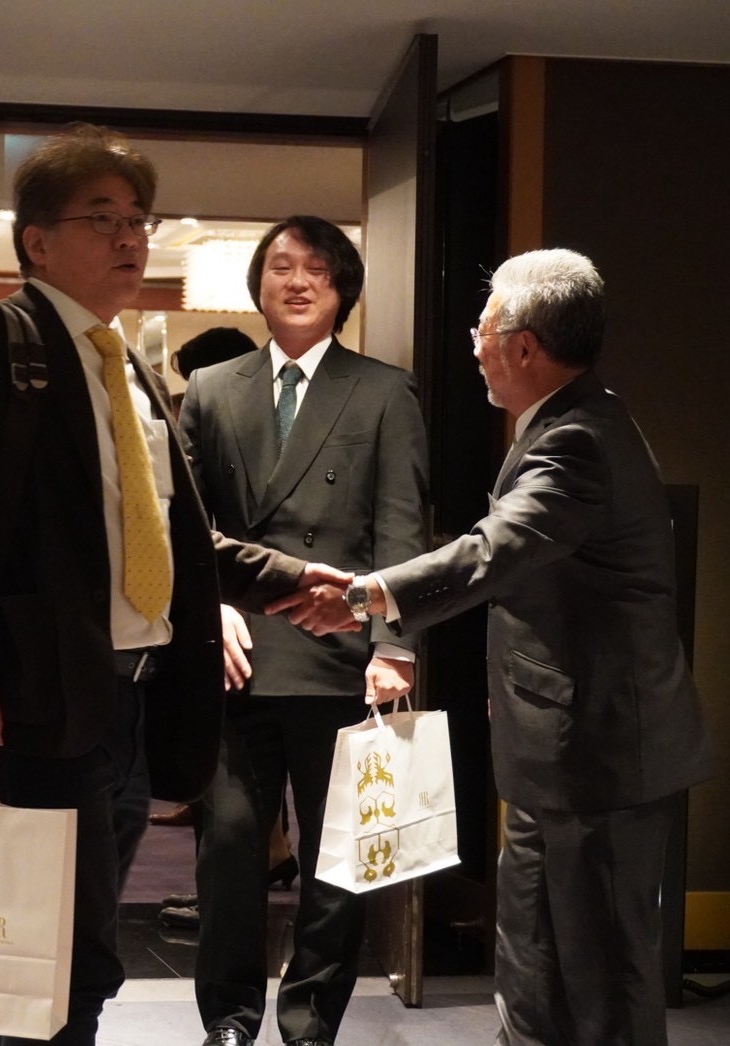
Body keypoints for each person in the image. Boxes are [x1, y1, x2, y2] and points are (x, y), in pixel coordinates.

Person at [0, 125, 345, 1046]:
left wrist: (293, 579)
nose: (130, 238)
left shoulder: (126, 364)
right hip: (31, 700)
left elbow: (172, 536)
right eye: (101, 219)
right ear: (36, 241)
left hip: (129, 705)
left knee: (73, 948)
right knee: (34, 953)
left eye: (138, 220)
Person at [277, 248, 714, 1046]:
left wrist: (368, 595)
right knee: (532, 962)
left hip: (601, 757)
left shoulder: (578, 439)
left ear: (523, 345)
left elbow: (491, 551)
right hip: (559, 751)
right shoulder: (566, 421)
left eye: (481, 327)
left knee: (601, 979)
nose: (472, 344)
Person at [178, 216, 429, 1046]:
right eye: (280, 266)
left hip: (339, 655)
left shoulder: (383, 390)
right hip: (235, 652)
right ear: (257, 284)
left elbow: (400, 530)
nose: (295, 281)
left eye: (315, 269)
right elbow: (185, 528)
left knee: (338, 855)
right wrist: (210, 608)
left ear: (342, 288)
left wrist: (394, 645)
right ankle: (228, 1018)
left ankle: (311, 1016)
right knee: (227, 847)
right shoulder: (211, 387)